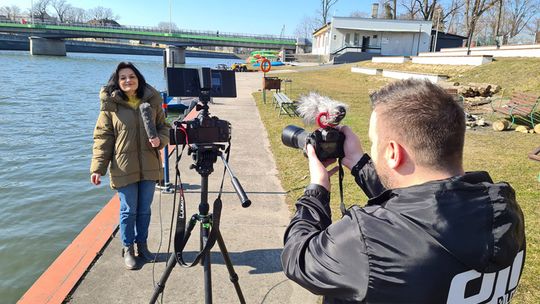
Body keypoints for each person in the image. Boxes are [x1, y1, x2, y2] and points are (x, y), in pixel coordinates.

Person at [281, 79, 526, 303]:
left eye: (374, 142)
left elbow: (298, 258)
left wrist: (317, 189)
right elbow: (421, 210)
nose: (372, 149)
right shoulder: (504, 210)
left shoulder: (369, 243)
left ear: (393, 153)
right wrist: (357, 162)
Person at [90, 62, 170, 270]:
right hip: (123, 167)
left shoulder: (151, 101)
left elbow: (164, 127)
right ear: (117, 82)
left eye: (131, 76)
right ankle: (128, 249)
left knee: (144, 210)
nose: (128, 80)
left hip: (150, 165)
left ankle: (142, 246)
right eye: (123, 77)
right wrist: (98, 168)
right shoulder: (111, 106)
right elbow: (103, 137)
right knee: (128, 210)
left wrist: (160, 140)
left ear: (138, 78)